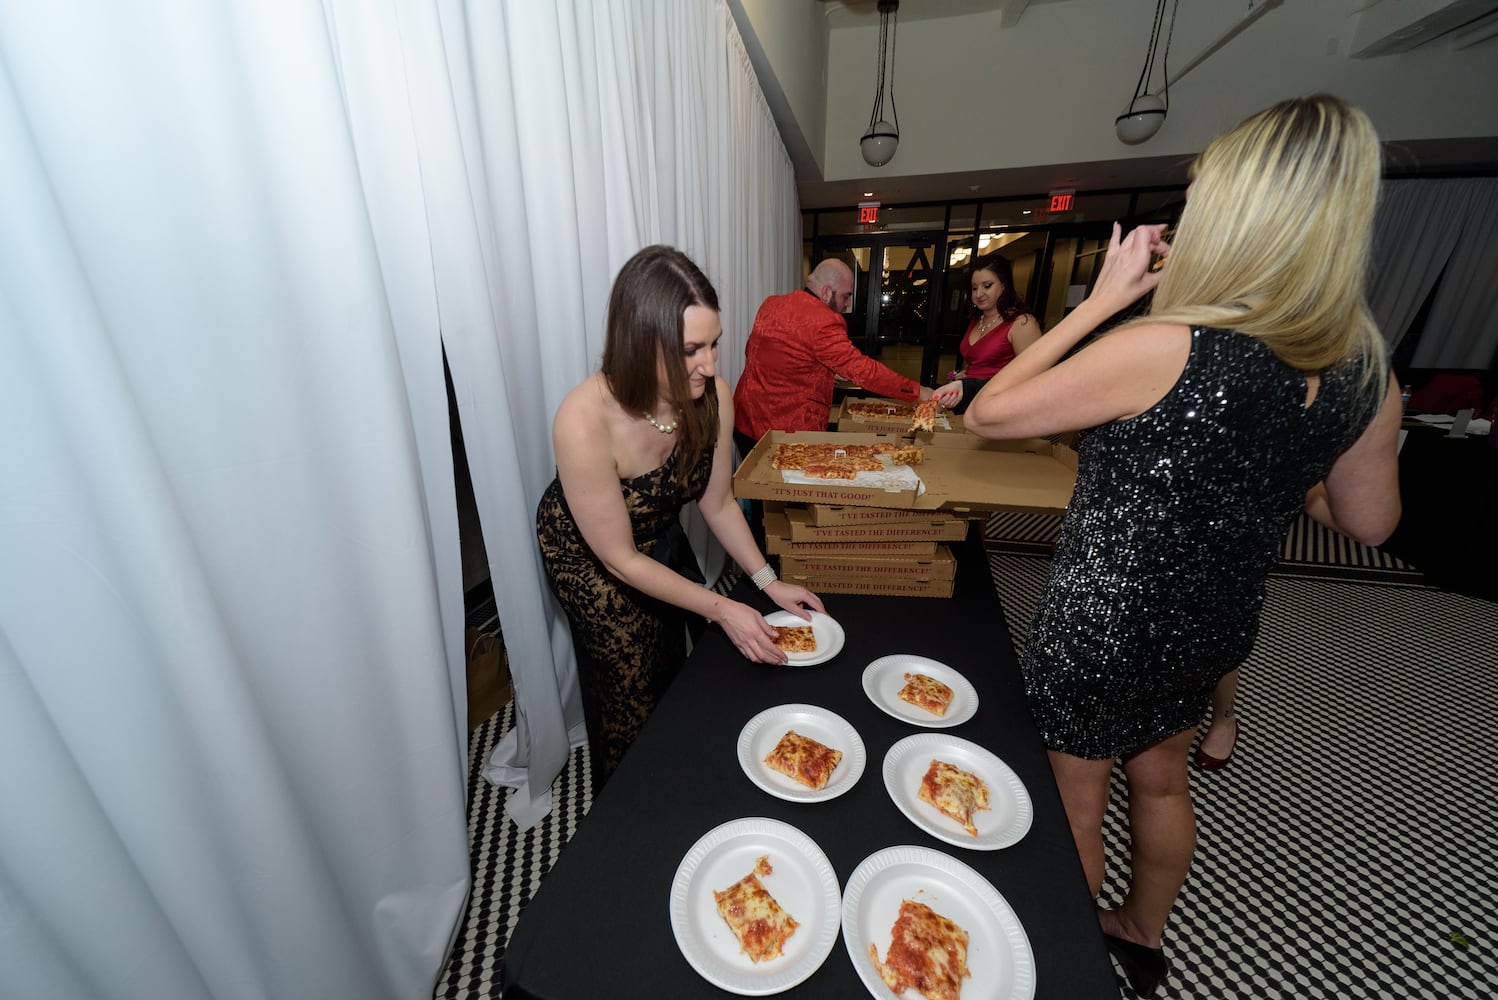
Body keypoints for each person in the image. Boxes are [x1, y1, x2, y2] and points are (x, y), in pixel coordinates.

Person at [962, 95, 1403, 997]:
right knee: (1162, 783)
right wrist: (1285, 475)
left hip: (1105, 626)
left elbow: (990, 413)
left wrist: (1113, 300)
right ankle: (1143, 936)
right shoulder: (1366, 369)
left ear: (1240, 213)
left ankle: (1069, 965)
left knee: (1075, 806)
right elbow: (1368, 523)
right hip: (1212, 622)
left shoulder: (1171, 344)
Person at [537, 245, 824, 790]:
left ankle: (674, 771)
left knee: (675, 652)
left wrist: (767, 582)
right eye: (692, 349)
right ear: (641, 343)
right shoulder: (581, 420)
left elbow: (716, 503)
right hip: (591, 554)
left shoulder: (711, 394)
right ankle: (629, 800)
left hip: (653, 529)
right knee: (629, 680)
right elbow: (620, 558)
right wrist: (725, 608)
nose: (712, 365)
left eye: (714, 344)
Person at [731, 257, 934, 461]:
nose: (847, 304)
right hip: (783, 430)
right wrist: (917, 391)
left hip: (745, 418)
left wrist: (820, 372)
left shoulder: (771, 304)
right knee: (785, 489)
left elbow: (758, 353)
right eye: (846, 296)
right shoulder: (824, 320)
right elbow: (864, 371)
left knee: (755, 483)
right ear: (827, 292)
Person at [933, 254, 1041, 414]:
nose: (978, 294)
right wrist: (966, 375)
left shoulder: (1022, 323)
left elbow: (1032, 376)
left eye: (987, 286)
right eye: (975, 288)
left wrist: (972, 385)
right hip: (969, 402)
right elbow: (980, 361)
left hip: (999, 406)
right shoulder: (977, 319)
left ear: (1004, 285)